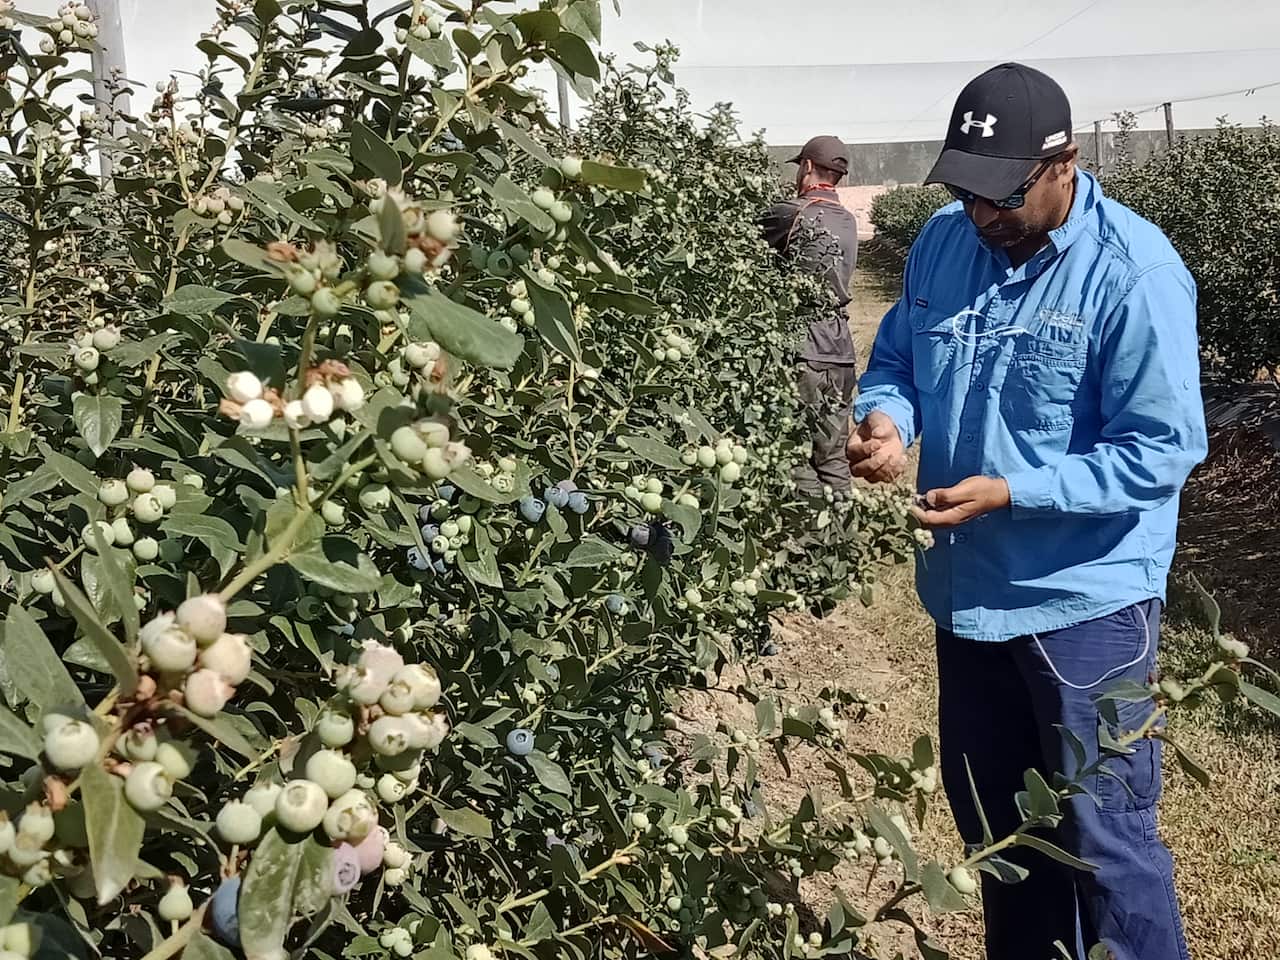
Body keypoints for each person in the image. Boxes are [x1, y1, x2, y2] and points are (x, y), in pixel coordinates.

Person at [848, 63, 1205, 960]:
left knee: (1105, 843)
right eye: (966, 189)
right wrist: (888, 420)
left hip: (1087, 606)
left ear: (1065, 165)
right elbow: (897, 356)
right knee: (1001, 839)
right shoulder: (941, 242)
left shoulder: (1133, 274)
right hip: (967, 601)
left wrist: (1016, 490)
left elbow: (1161, 450)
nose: (981, 213)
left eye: (1002, 193)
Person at [760, 135, 860, 496]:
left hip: (802, 348)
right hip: (841, 352)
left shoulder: (789, 213)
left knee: (797, 453)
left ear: (805, 167)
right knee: (833, 456)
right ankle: (841, 541)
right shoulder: (848, 221)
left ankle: (809, 544)